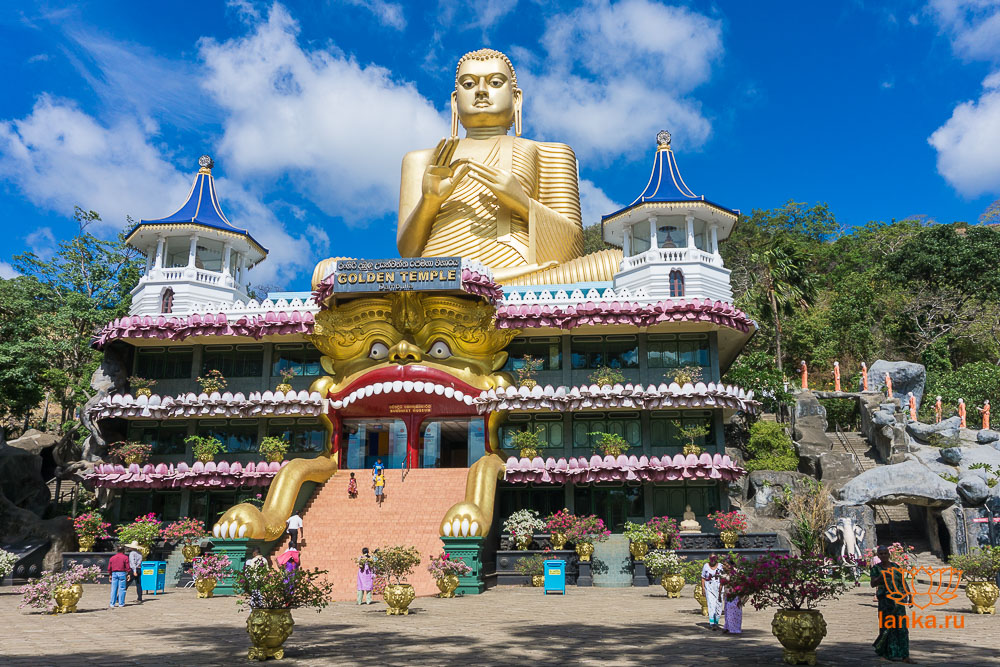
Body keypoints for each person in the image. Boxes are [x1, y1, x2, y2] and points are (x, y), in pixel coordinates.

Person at [871, 545, 912, 663]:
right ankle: (886, 653)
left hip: (898, 602)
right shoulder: (876, 568)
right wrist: (882, 576)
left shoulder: (896, 567)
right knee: (886, 627)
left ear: (889, 554)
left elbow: (903, 581)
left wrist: (909, 595)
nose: (883, 555)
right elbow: (873, 584)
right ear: (878, 556)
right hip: (885, 602)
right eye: (881, 554)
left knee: (902, 628)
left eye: (885, 553)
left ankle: (905, 655)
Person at [701, 554, 724, 630]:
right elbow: (703, 577)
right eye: (711, 558)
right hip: (709, 586)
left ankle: (716, 621)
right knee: (711, 604)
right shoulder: (706, 566)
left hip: (719, 587)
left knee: (719, 605)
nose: (713, 560)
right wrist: (703, 588)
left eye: (714, 558)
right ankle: (712, 623)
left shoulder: (721, 566)